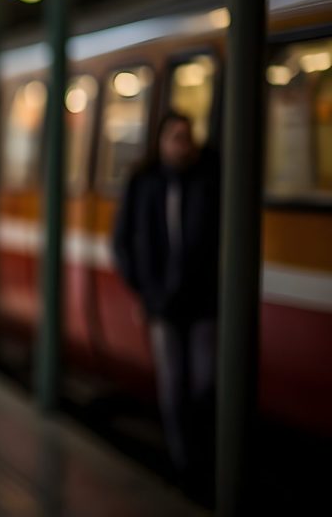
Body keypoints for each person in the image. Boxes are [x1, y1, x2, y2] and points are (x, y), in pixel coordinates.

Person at [113, 111, 220, 496]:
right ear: (160, 142)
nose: (182, 144)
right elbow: (123, 241)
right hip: (160, 303)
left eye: (187, 137)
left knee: (206, 382)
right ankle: (184, 465)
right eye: (175, 137)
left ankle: (204, 454)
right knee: (173, 385)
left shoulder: (209, 180)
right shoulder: (144, 183)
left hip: (204, 303)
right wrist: (143, 291)